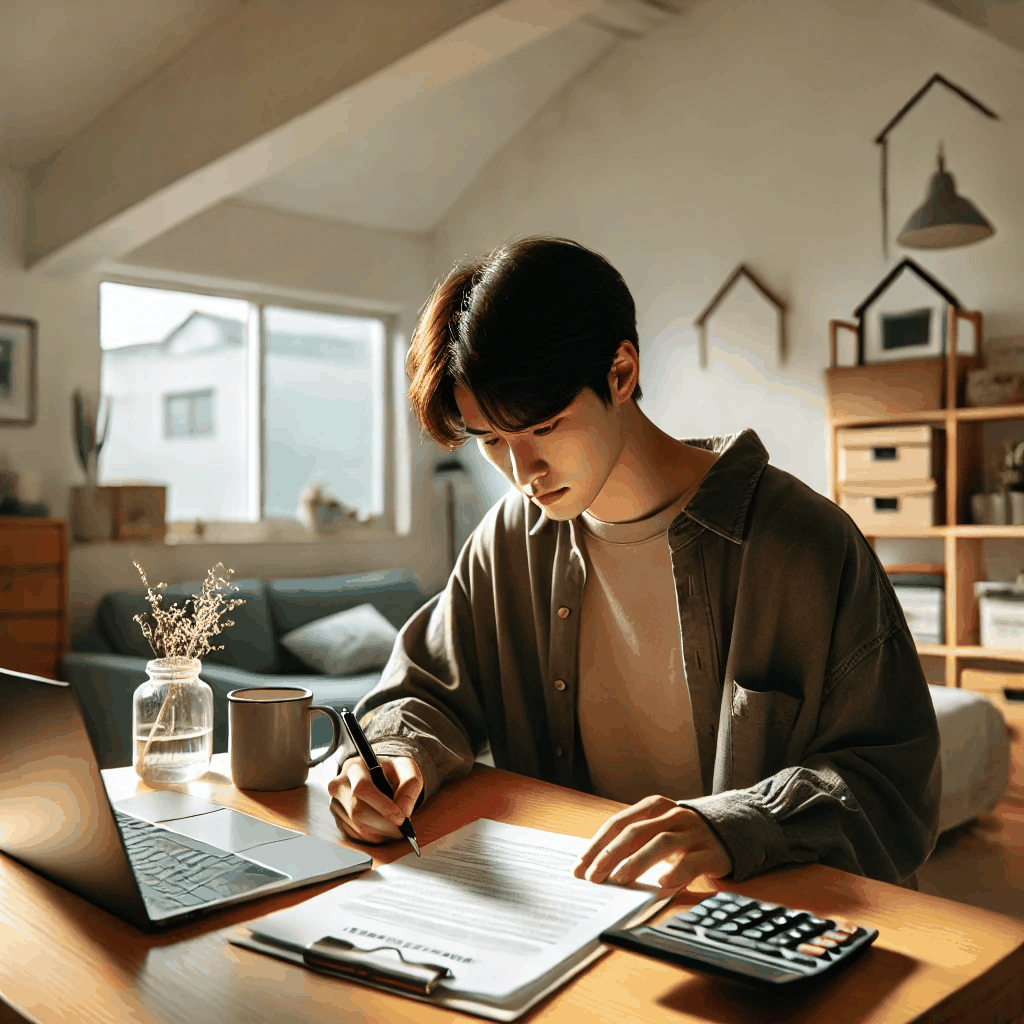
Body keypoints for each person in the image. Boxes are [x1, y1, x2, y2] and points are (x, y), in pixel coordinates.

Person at [328, 235, 941, 891]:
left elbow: (892, 783)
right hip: (572, 919)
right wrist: (388, 760)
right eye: (492, 440)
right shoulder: (505, 542)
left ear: (620, 373)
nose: (521, 471)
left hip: (762, 925)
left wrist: (737, 825)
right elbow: (420, 693)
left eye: (545, 426)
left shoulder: (804, 542)